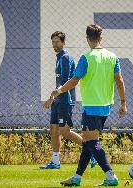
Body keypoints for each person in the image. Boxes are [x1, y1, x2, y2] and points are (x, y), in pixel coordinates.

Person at [45, 24, 127, 186]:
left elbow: (74, 81)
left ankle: (110, 175)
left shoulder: (86, 58)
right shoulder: (112, 56)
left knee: (91, 143)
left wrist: (59, 91)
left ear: (88, 39)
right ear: (101, 38)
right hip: (106, 106)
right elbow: (119, 80)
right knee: (89, 143)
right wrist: (123, 102)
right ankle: (77, 177)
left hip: (91, 106)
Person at [40, 31, 97, 170]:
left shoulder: (65, 57)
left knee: (64, 131)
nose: (55, 44)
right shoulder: (59, 57)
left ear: (63, 42)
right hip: (58, 99)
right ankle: (55, 161)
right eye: (53, 42)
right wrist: (53, 98)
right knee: (53, 129)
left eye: (57, 42)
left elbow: (66, 82)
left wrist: (52, 96)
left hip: (65, 99)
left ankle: (93, 153)